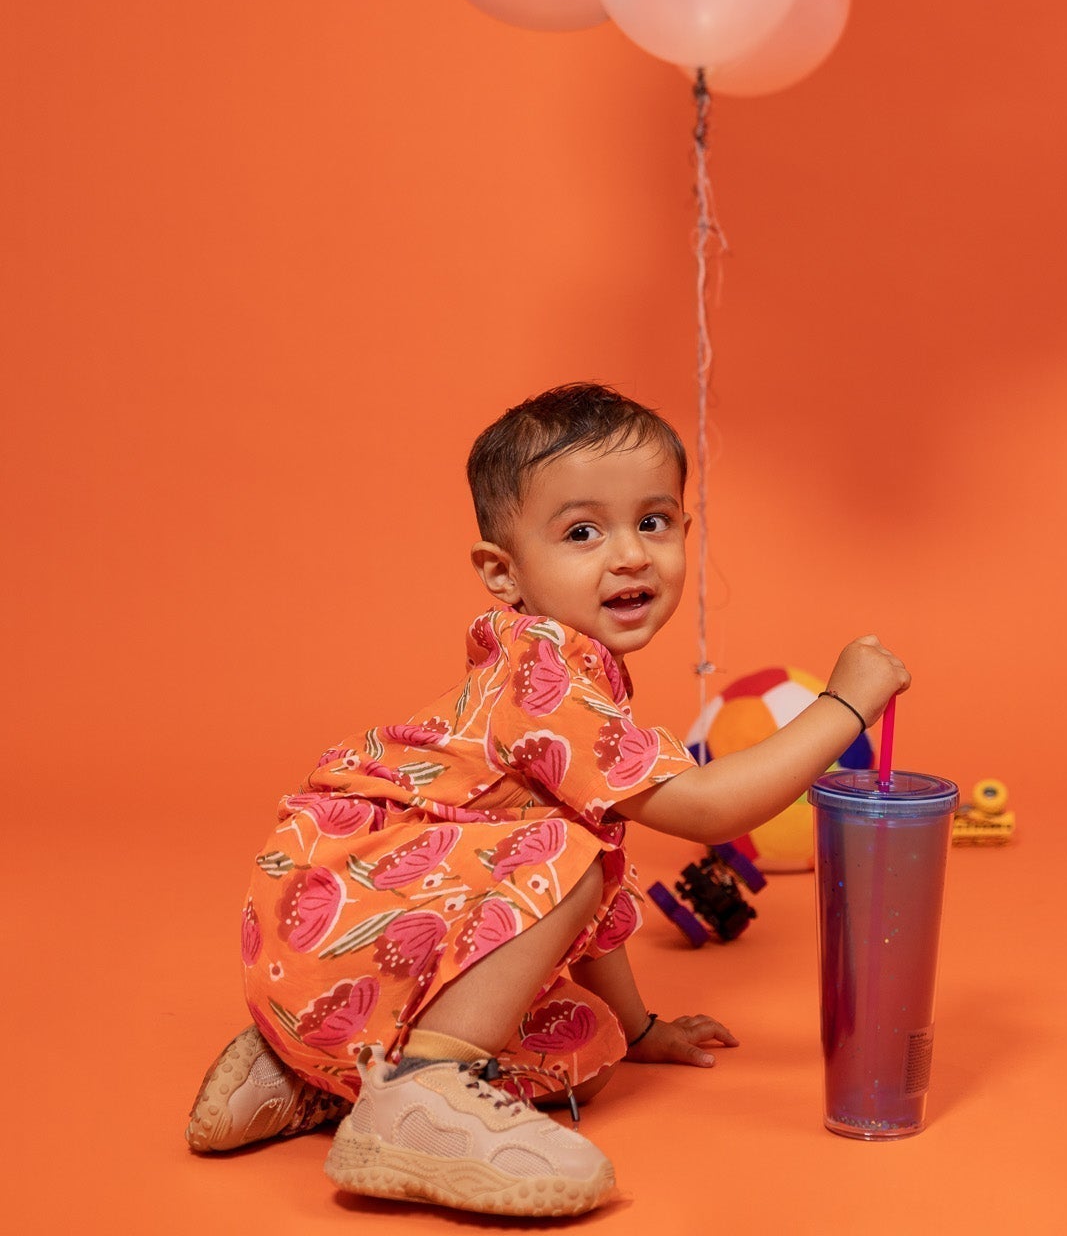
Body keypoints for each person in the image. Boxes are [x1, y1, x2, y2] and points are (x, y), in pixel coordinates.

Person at [186, 381, 908, 1218]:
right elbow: (704, 811)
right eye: (582, 533)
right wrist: (844, 705)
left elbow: (576, 892)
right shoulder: (544, 676)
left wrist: (639, 1029)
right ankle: (419, 1093)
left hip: (341, 953)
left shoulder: (572, 671)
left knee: (586, 1049)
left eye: (653, 521)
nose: (630, 555)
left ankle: (313, 1071)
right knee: (573, 852)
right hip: (343, 900)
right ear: (504, 572)